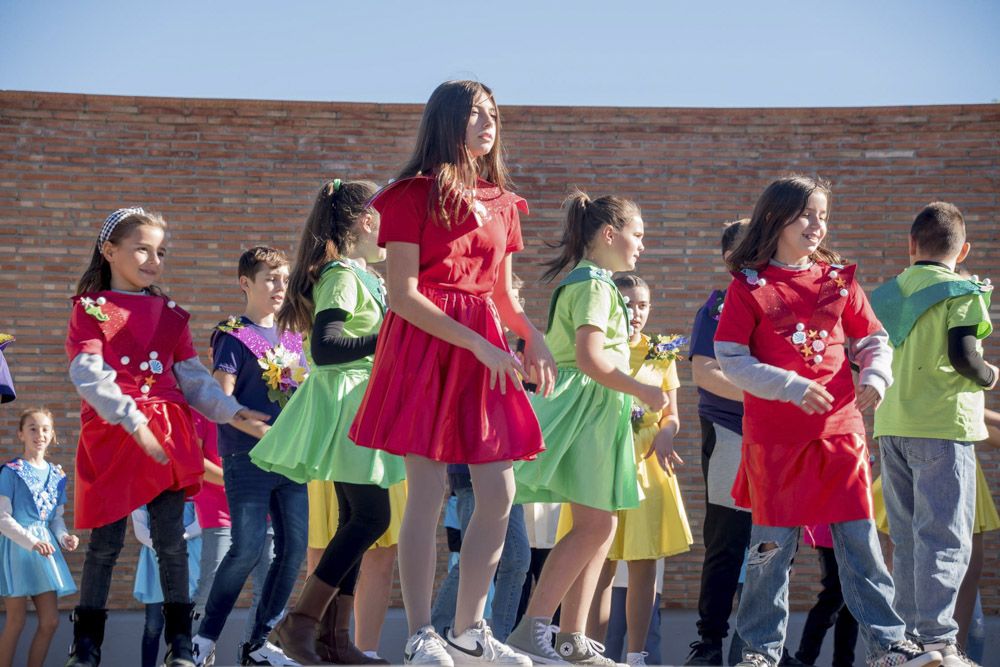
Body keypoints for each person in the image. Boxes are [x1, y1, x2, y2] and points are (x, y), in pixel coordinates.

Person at [348, 80, 554, 666]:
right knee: (428, 492)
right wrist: (478, 344)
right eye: (473, 114)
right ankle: (421, 636)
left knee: (500, 492)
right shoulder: (408, 195)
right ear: (445, 122)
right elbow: (404, 296)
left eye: (492, 114)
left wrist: (530, 334)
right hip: (426, 346)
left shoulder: (504, 203)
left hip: (483, 346)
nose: (486, 123)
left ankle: (469, 630)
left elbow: (503, 295)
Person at [713, 175, 941, 667]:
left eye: (823, 215)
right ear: (776, 216)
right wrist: (791, 387)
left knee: (861, 546)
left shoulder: (839, 280)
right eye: (807, 214)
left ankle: (889, 647)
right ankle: (758, 650)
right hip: (774, 441)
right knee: (770, 552)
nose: (818, 224)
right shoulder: (747, 286)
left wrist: (877, 376)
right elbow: (729, 357)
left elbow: (873, 340)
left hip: (841, 434)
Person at [65, 207, 269, 667]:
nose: (153, 259)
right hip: (113, 435)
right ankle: (87, 645)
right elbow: (87, 370)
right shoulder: (92, 309)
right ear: (109, 251)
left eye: (160, 251)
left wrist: (233, 414)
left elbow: (193, 378)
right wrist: (129, 416)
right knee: (105, 545)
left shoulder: (169, 314)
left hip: (166, 435)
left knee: (171, 541)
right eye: (142, 248)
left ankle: (180, 644)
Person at [250, 179, 405, 664]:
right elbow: (325, 346)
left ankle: (333, 638)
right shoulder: (341, 274)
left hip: (362, 403)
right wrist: (387, 340)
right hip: (349, 404)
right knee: (372, 517)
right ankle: (300, 623)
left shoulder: (363, 276)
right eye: (387, 217)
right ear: (366, 221)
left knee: (358, 517)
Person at [509, 192, 668, 665]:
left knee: (600, 524)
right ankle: (534, 628)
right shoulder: (595, 286)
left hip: (598, 412)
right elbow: (589, 358)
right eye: (637, 235)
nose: (642, 244)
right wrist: (642, 391)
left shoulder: (594, 282)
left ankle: (570, 637)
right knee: (597, 524)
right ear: (609, 235)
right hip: (587, 411)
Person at [871, 202, 996, 666]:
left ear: (911, 246)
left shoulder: (887, 294)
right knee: (945, 537)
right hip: (943, 427)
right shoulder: (961, 290)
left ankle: (905, 642)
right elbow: (965, 357)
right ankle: (939, 641)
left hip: (892, 428)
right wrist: (989, 378)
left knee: (905, 539)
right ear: (962, 250)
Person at [557, 272, 691, 667]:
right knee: (599, 558)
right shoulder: (600, 348)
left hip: (648, 464)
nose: (636, 313)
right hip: (604, 458)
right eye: (628, 303)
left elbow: (672, 414)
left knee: (644, 562)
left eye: (643, 305)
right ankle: (590, 654)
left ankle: (637, 656)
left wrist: (667, 433)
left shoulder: (662, 351)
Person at [193, 246, 306, 667]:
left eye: (283, 278)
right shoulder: (232, 334)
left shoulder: (294, 335)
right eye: (270, 279)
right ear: (246, 283)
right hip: (248, 458)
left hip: (291, 461)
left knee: (293, 551)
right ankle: (203, 640)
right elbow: (219, 398)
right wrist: (258, 430)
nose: (280, 287)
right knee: (247, 548)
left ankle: (258, 643)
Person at [684, 219, 752, 665]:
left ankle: (761, 645)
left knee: (777, 546)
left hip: (784, 441)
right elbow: (704, 373)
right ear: (730, 260)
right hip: (733, 432)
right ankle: (710, 643)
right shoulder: (718, 306)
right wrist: (771, 396)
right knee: (727, 542)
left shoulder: (786, 301)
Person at [0, 408, 78, 667]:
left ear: (52, 434)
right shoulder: (10, 471)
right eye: (32, 428)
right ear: (21, 434)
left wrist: (64, 537)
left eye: (45, 428)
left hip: (45, 551)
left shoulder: (57, 475)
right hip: (17, 548)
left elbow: (55, 519)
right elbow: (2, 518)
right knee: (16, 620)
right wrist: (31, 542)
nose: (39, 434)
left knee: (50, 621)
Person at [132, 502, 202, 667]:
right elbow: (140, 530)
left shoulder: (191, 485)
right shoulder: (142, 490)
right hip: (155, 559)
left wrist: (177, 540)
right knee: (153, 625)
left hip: (188, 558)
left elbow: (200, 523)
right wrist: (162, 545)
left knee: (189, 624)